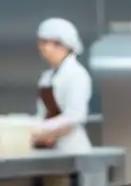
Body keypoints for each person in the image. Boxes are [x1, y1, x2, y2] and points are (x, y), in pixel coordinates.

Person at [33, 18, 92, 153]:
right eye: (42, 43)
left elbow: (75, 116)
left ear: (64, 46)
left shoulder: (76, 74)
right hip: (49, 149)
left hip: (71, 148)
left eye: (49, 43)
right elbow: (43, 113)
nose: (44, 48)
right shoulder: (47, 77)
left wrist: (43, 129)